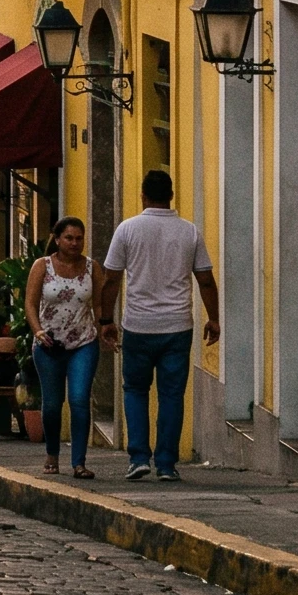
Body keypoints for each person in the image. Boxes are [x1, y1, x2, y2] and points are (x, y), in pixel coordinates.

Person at [99, 169, 221, 482]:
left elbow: (111, 278)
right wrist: (214, 318)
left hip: (138, 324)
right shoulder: (189, 232)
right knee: (171, 395)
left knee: (136, 389)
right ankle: (166, 464)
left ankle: (139, 457)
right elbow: (205, 279)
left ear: (142, 195)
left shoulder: (127, 230)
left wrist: (106, 320)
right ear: (171, 195)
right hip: (177, 326)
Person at [26, 215, 102, 478]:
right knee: (52, 403)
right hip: (49, 344)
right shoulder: (42, 266)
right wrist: (37, 330)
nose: (74, 243)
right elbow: (30, 304)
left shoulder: (93, 267)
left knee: (80, 399)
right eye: (69, 238)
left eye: (79, 238)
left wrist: (105, 329)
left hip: (83, 342)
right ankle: (52, 454)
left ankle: (79, 462)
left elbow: (99, 304)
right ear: (57, 239)